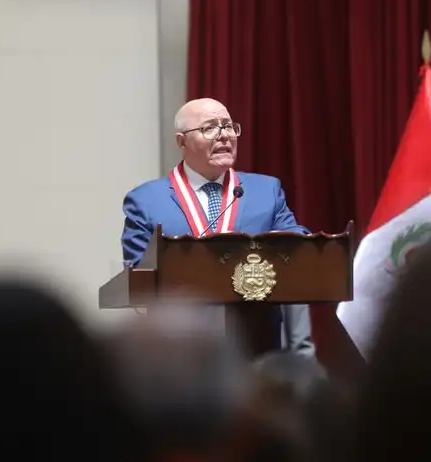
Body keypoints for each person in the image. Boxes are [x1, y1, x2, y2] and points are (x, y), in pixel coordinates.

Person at [121, 98, 315, 357]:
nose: (224, 135)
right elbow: (138, 275)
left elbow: (296, 245)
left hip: (255, 349)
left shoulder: (265, 191)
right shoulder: (145, 201)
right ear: (182, 142)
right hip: (182, 353)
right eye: (210, 128)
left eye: (229, 126)